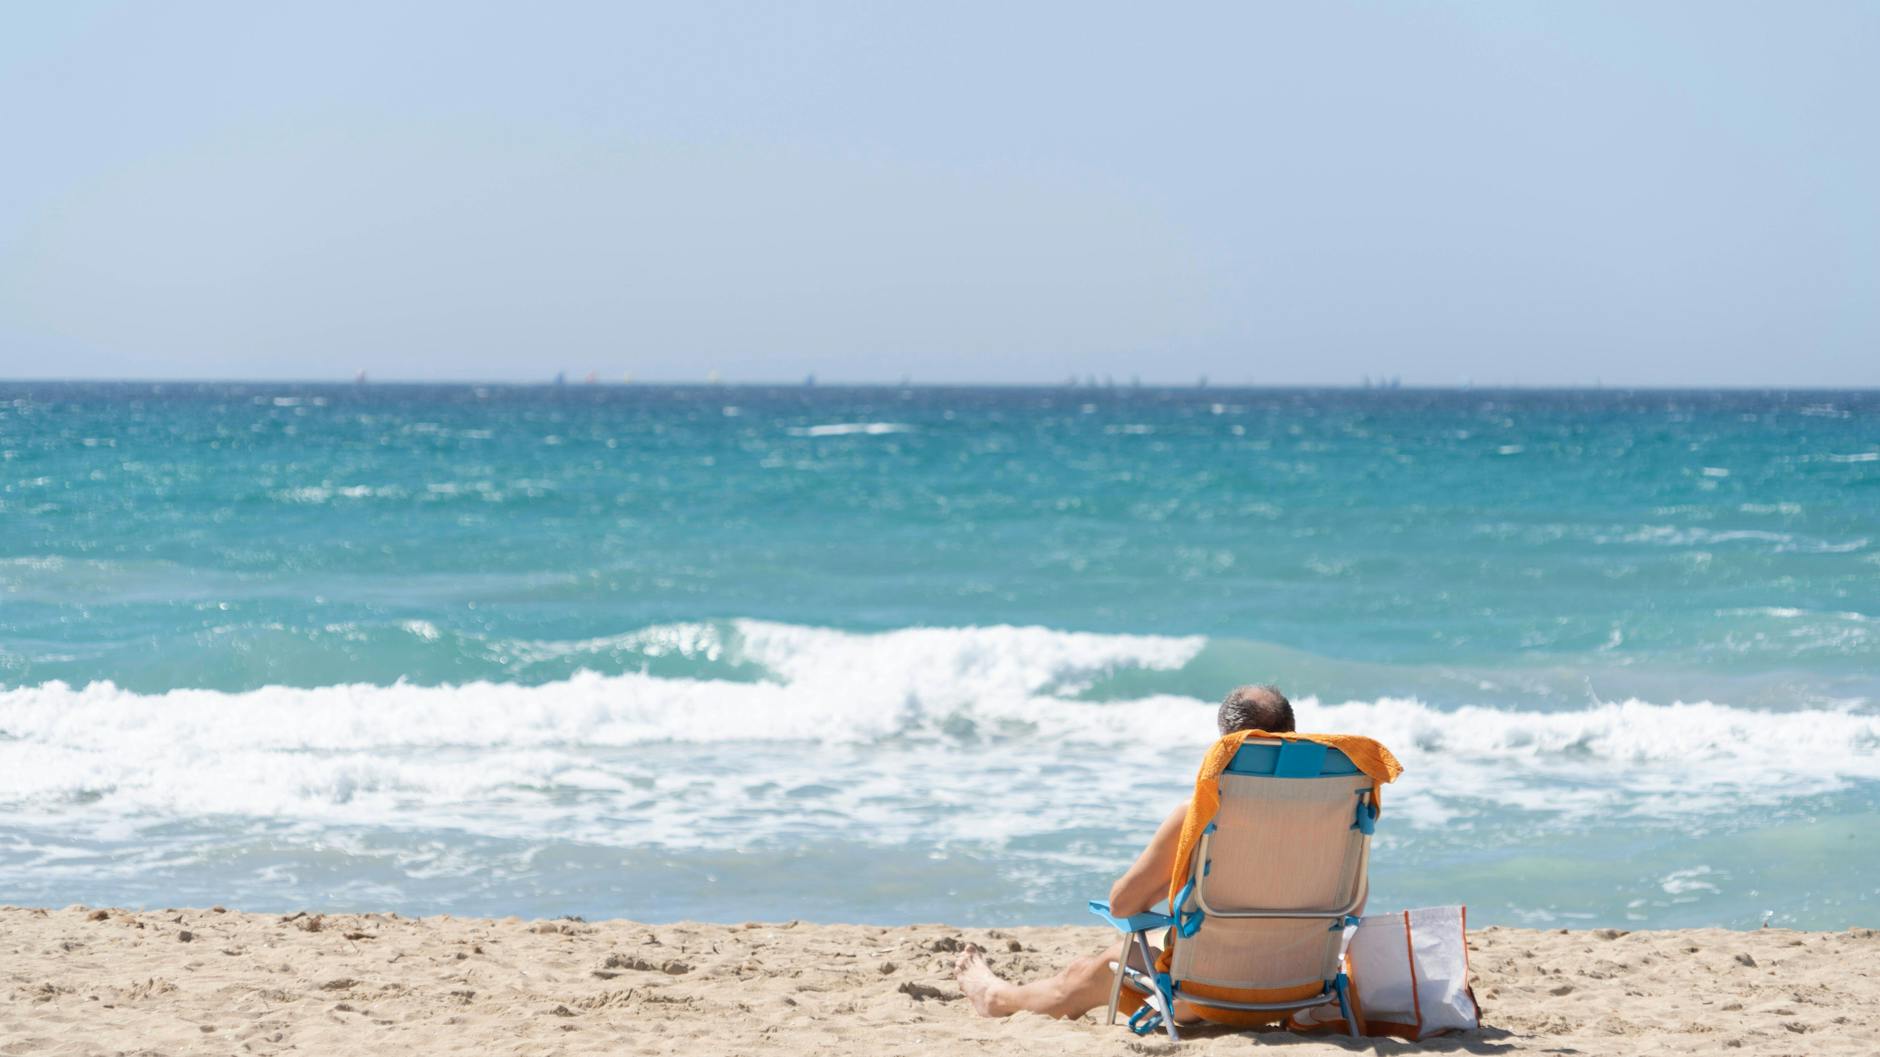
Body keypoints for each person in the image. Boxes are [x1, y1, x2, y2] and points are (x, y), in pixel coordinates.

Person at [954, 684, 1295, 1020]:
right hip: (1298, 988)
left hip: (1208, 995)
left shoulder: (1200, 815)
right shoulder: (1339, 813)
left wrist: (1176, 874)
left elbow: (1123, 904)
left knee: (1099, 967)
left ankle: (995, 997)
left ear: (1224, 743)